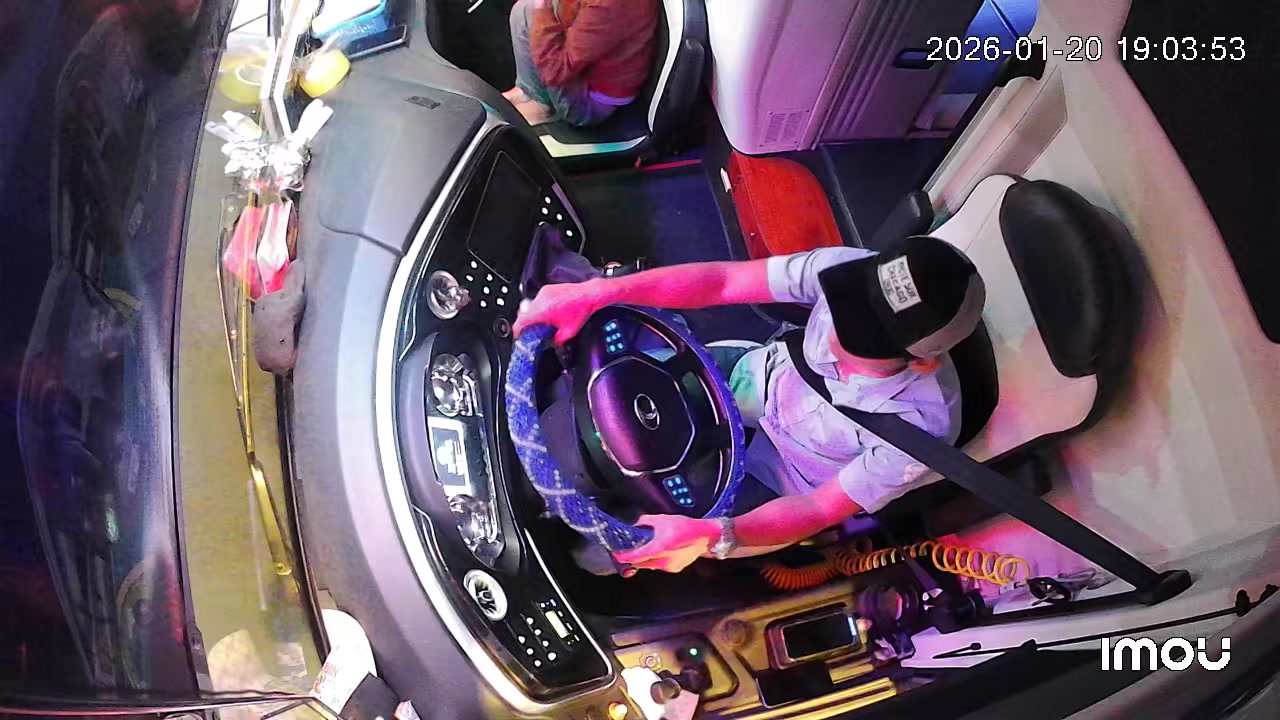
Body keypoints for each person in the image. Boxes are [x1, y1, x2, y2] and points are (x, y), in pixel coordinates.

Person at [513, 236, 987, 574]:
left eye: (863, 344)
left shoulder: (921, 428)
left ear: (920, 363)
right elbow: (723, 281)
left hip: (780, 478)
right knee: (602, 381)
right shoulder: (849, 270)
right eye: (847, 312)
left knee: (607, 553)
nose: (836, 337)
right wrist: (599, 292)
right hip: (752, 377)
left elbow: (818, 509)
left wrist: (711, 536)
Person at [505, 0, 659, 127]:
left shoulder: (608, 6)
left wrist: (542, 7)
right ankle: (531, 92)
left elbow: (555, 71)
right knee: (525, 8)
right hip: (586, 66)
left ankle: (544, 108)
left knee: (533, 13)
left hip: (589, 103)